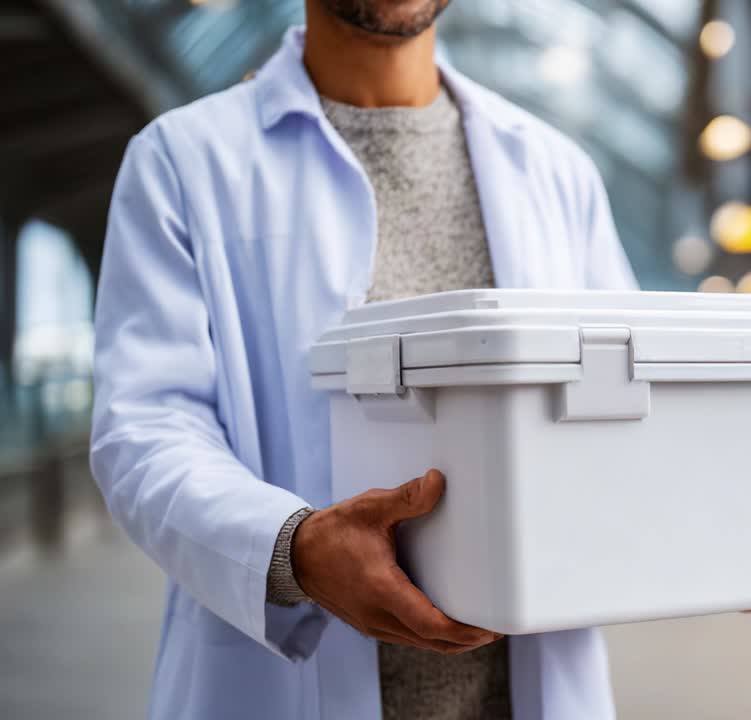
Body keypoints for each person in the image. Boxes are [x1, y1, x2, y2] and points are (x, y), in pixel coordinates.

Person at [90, 1, 636, 718]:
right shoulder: (183, 162)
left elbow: (629, 411)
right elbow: (146, 428)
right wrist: (295, 549)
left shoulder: (553, 170)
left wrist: (738, 535)